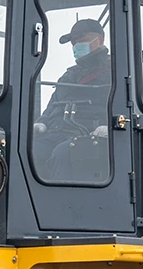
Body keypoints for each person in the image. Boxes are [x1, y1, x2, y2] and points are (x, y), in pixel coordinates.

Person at [32, 18, 112, 181]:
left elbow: (121, 106)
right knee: (29, 151)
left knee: (63, 154)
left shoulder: (114, 73)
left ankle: (60, 198)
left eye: (82, 40)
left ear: (100, 38)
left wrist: (108, 125)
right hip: (57, 132)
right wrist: (41, 122)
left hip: (88, 134)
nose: (77, 46)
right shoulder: (68, 77)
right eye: (74, 42)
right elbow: (52, 106)